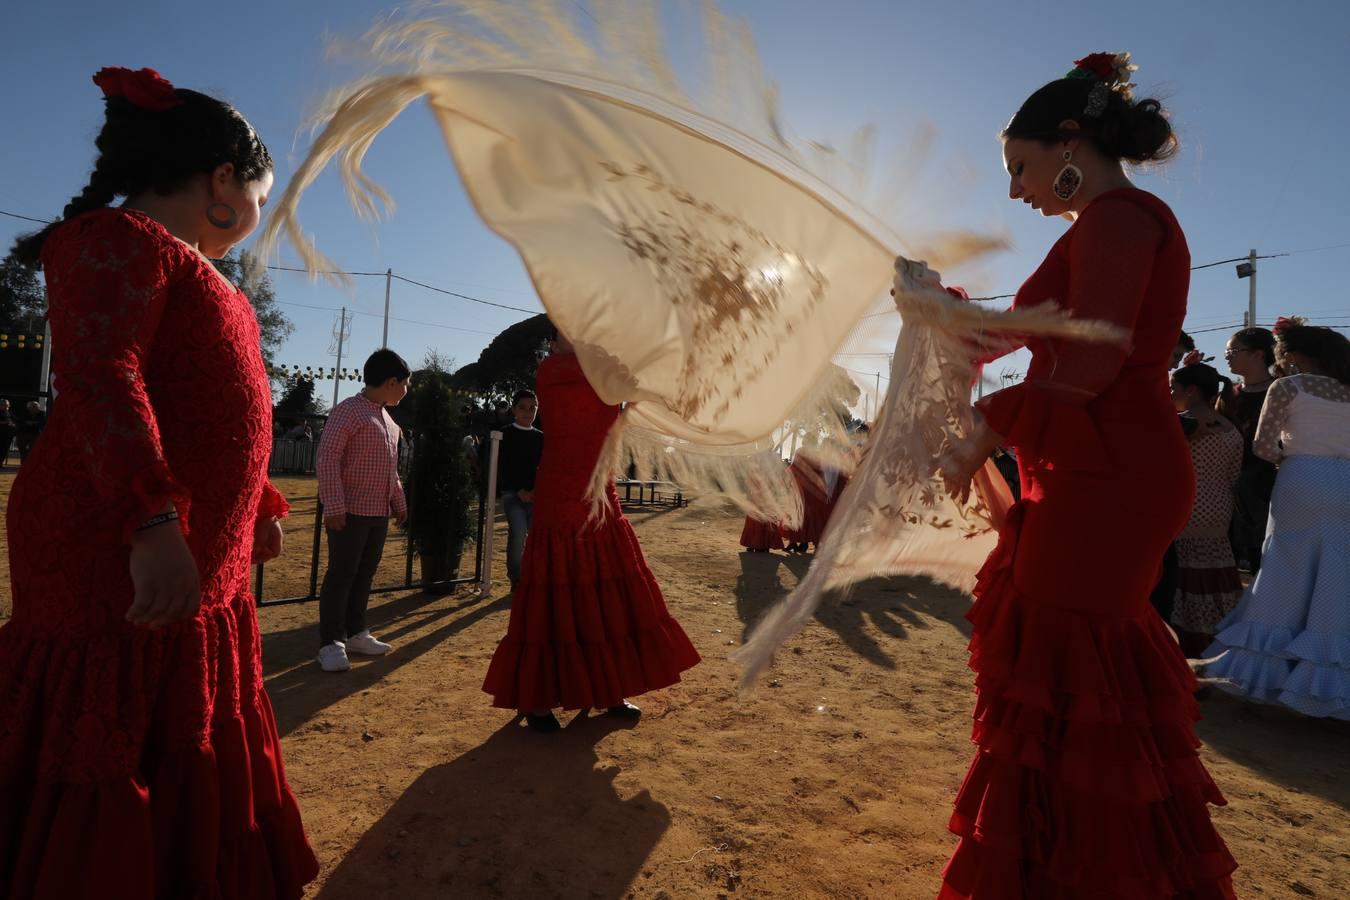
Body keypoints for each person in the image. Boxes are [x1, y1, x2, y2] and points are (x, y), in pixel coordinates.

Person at [0, 67, 318, 897]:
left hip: (188, 555)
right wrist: (152, 526)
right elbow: (103, 377)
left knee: (180, 721)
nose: (254, 218)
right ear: (222, 180)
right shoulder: (116, 241)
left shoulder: (197, 267)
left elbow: (211, 409)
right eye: (258, 196)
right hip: (111, 548)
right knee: (111, 728)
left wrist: (254, 509)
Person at [933, 53, 1236, 897]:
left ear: (1069, 140)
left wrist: (987, 425)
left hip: (1115, 472)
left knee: (1072, 668)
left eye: (1020, 168)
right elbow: (1008, 338)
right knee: (1071, 674)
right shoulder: (1099, 226)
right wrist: (935, 306)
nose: (1015, 191)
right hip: (1094, 469)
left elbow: (1092, 363)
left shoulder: (1121, 219)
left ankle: (1081, 872)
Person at [482, 326, 700, 732]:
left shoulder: (606, 367)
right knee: (557, 595)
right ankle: (540, 699)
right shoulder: (552, 370)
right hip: (563, 495)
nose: (562, 337)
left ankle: (608, 689)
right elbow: (614, 380)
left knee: (606, 595)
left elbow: (643, 393)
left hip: (600, 491)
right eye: (562, 331)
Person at [1203, 323, 1350, 719]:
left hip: (1302, 477)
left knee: (1287, 567)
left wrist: (1291, 456)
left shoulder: (1289, 387)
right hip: (1346, 482)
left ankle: (1269, 671)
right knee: (1337, 573)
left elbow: (1263, 446)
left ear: (1296, 355)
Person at [314, 349, 410, 673]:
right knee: (341, 575)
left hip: (376, 513)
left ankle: (356, 633)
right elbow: (327, 457)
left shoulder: (389, 422)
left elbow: (390, 469)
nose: (406, 391)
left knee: (364, 574)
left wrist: (399, 501)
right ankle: (331, 642)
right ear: (392, 382)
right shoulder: (348, 412)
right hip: (350, 511)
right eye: (405, 384)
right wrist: (334, 505)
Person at [1169, 358, 1244, 657]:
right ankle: (1220, 637)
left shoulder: (1182, 425)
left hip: (1185, 507)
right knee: (1216, 576)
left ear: (1191, 390)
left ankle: (1187, 643)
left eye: (1173, 388)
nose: (1170, 394)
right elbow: (1234, 475)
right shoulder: (1230, 428)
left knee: (1185, 577)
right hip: (1219, 509)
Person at [1218, 326, 1279, 572]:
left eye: (1234, 350)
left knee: (1265, 555)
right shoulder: (1227, 396)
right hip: (1231, 488)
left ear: (1259, 354)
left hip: (1270, 485)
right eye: (1226, 351)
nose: (1227, 356)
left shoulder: (1281, 390)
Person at [496, 389, 545, 590]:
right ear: (514, 409)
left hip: (536, 496)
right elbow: (503, 466)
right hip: (512, 494)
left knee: (536, 537)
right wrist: (519, 491)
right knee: (519, 531)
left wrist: (534, 492)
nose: (528, 412)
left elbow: (544, 467)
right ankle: (516, 578)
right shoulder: (504, 434)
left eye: (532, 408)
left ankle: (532, 576)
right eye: (523, 408)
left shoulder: (541, 437)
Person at [0, 399, 14, 468]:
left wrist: (13, 424)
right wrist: (5, 423)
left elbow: (15, 420)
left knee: (4, 450)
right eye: (3, 405)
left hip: (7, 435)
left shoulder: (9, 412)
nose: (5, 406)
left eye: (7, 405)